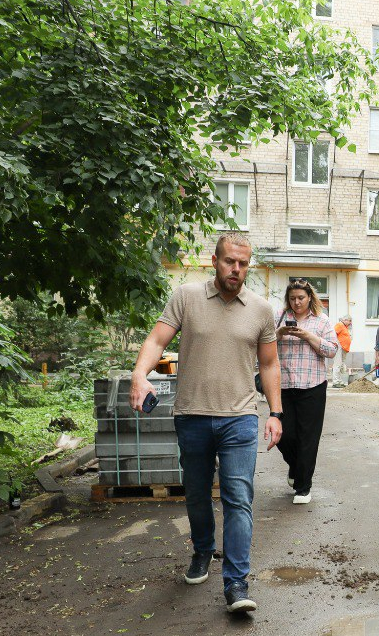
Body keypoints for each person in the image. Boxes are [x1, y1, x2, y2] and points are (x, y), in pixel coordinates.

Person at [129, 233, 282, 614]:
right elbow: (156, 340)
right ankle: (202, 550)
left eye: (243, 263)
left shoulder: (261, 309)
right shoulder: (186, 297)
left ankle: (236, 583)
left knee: (238, 498)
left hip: (240, 419)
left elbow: (269, 364)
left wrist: (276, 413)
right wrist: (139, 375)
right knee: (197, 494)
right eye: (230, 261)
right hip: (192, 415)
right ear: (214, 261)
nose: (236, 269)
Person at [275, 279, 339, 505]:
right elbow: (263, 344)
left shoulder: (322, 320)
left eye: (301, 298)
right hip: (283, 386)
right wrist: (279, 333)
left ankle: (303, 487)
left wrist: (308, 336)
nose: (297, 302)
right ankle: (295, 467)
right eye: (292, 298)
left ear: (309, 297)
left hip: (313, 386)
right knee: (284, 436)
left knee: (308, 439)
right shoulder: (279, 317)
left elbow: (332, 350)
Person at [332, 315, 353, 387]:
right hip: (339, 347)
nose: (350, 323)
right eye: (350, 321)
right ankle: (336, 382)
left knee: (340, 365)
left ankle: (339, 381)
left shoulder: (344, 326)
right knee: (337, 364)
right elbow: (333, 334)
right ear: (345, 320)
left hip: (343, 348)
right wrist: (336, 343)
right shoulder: (340, 325)